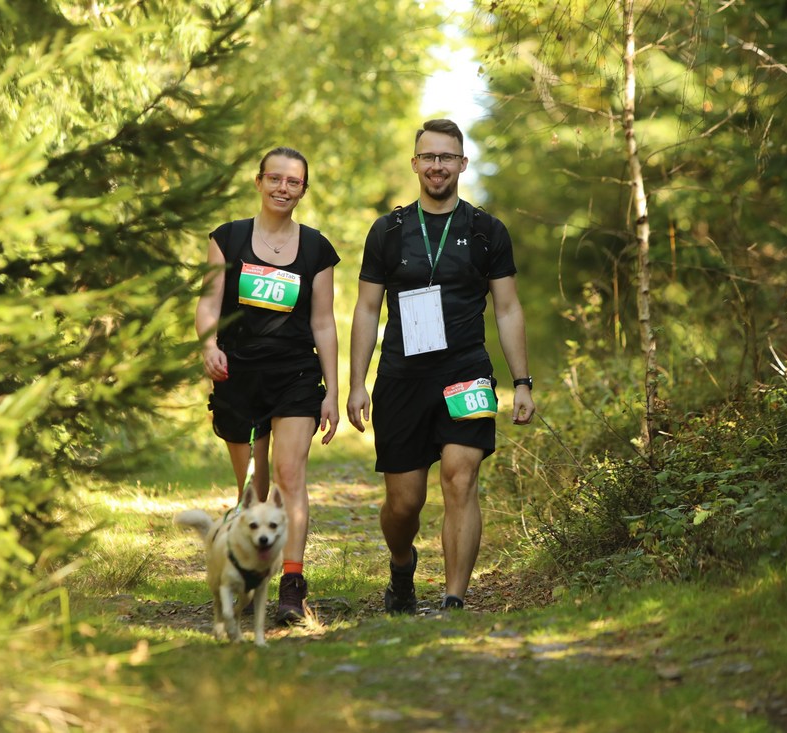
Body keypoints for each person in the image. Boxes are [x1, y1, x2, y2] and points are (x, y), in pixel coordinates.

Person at [347, 119, 535, 612]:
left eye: (447, 157)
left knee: (460, 477)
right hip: (402, 376)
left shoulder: (487, 231)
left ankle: (454, 600)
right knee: (404, 504)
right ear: (415, 163)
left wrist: (522, 382)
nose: (437, 165)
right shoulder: (388, 231)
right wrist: (356, 383)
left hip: (466, 372)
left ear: (462, 164)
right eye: (429, 156)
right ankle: (401, 562)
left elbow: (508, 309)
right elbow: (366, 310)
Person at [195, 146, 340, 624]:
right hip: (238, 374)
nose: (283, 188)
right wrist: (209, 346)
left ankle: (292, 585)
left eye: (293, 181)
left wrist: (332, 391)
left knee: (289, 475)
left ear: (303, 190)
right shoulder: (228, 238)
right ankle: (248, 574)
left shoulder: (317, 248)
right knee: (253, 491)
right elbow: (209, 302)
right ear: (259, 182)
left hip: (295, 375)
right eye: (274, 178)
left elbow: (323, 323)